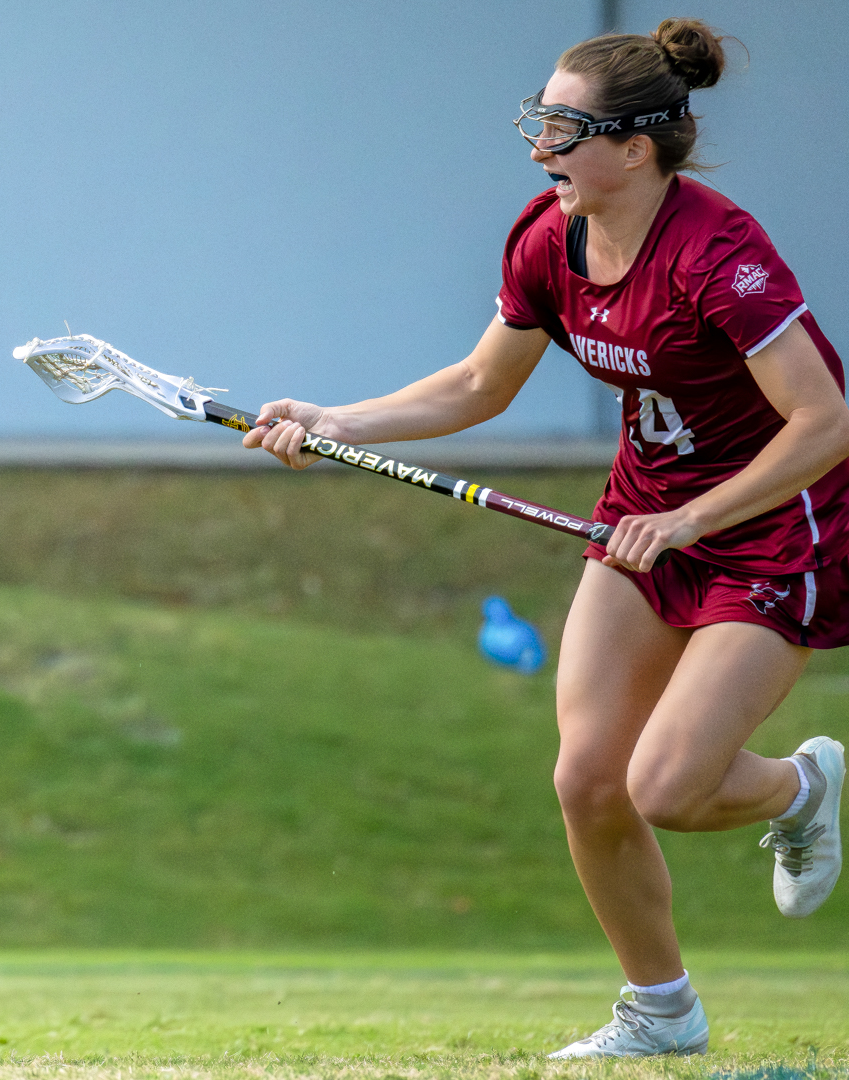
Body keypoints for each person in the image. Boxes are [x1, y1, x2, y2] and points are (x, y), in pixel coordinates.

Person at [243, 19, 845, 1059]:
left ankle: (803, 785)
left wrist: (694, 519)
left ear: (637, 147)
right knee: (586, 780)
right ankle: (661, 1011)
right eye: (540, 124)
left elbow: (826, 420)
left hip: (770, 533)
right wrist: (336, 422)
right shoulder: (546, 238)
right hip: (640, 520)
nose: (538, 151)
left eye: (563, 131)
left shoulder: (719, 254)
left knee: (669, 787)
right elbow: (480, 384)